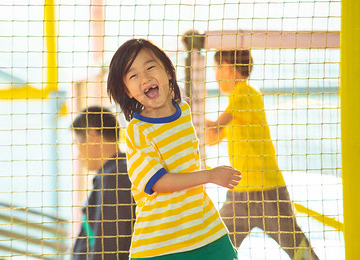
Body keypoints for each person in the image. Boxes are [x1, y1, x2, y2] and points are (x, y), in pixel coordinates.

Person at [107, 38, 242, 260]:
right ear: (127, 91)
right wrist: (209, 175)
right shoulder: (137, 130)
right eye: (134, 75)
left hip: (206, 231)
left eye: (150, 67)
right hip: (160, 244)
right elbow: (158, 182)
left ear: (168, 72)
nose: (146, 77)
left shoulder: (185, 112)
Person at [206, 49, 319, 260]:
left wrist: (194, 117)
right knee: (216, 248)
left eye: (215, 69)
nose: (214, 76)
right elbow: (212, 138)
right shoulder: (235, 106)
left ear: (227, 68)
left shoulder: (246, 93)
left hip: (268, 193)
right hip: (238, 195)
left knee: (300, 251)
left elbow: (217, 124)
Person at [71, 106, 136, 260]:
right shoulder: (116, 172)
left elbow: (110, 246)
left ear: (92, 136)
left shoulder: (115, 176)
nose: (78, 154)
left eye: (77, 143)